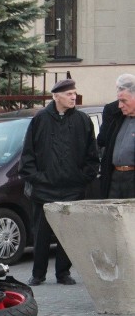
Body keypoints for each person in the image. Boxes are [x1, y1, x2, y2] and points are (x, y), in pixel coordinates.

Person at [19, 78, 100, 286]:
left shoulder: (82, 121)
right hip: (44, 190)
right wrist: (38, 179)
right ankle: (38, 274)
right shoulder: (40, 120)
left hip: (73, 189)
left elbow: (92, 155)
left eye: (74, 93)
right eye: (68, 94)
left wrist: (82, 178)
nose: (73, 97)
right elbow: (27, 156)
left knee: (69, 234)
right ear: (56, 96)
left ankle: (63, 273)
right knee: (42, 234)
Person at [97, 73, 135, 199]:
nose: (120, 105)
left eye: (124, 101)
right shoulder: (117, 119)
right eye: (119, 100)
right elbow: (102, 142)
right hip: (114, 177)